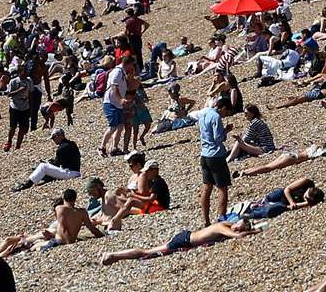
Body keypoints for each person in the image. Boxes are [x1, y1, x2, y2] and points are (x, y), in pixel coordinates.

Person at [98, 217, 258, 263]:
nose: (237, 228)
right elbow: (237, 236)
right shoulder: (221, 227)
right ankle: (113, 255)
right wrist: (253, 231)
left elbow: (235, 230)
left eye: (240, 228)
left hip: (187, 236)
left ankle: (114, 256)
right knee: (148, 252)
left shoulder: (227, 223)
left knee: (151, 250)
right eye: (238, 226)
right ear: (236, 222)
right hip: (184, 241)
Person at [190, 95, 234, 227]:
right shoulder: (216, 117)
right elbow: (219, 138)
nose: (226, 115)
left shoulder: (203, 113)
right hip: (216, 155)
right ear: (223, 108)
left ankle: (206, 221)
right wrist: (226, 130)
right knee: (222, 189)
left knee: (207, 188)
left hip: (204, 155)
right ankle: (222, 219)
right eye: (226, 112)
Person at [10, 128, 81, 190]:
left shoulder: (61, 148)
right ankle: (44, 177)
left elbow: (57, 164)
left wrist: (48, 163)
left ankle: (28, 184)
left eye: (54, 137)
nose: (53, 140)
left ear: (60, 136)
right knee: (44, 167)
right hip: (76, 171)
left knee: (42, 166)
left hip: (70, 173)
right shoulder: (72, 144)